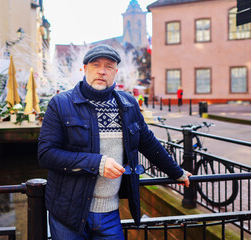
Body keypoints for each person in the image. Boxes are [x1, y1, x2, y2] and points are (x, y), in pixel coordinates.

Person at [38, 44, 191, 240]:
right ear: (84, 68)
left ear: (116, 72)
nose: (102, 71)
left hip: (109, 213)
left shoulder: (128, 104)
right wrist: (97, 163)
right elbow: (46, 155)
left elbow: (148, 143)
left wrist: (176, 172)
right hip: (69, 212)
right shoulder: (60, 103)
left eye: (109, 66)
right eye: (96, 65)